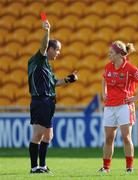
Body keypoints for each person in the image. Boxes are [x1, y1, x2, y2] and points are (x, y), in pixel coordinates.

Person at [28, 20, 78, 173]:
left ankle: (42, 165)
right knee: (37, 134)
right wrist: (47, 31)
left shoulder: (47, 66)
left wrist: (68, 80)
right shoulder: (39, 59)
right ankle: (34, 167)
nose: (58, 53)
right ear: (50, 49)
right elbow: (43, 46)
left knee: (48, 136)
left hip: (49, 101)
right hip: (40, 100)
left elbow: (54, 83)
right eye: (57, 50)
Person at [99, 40, 138, 173]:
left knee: (126, 137)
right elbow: (104, 79)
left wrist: (136, 97)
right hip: (109, 106)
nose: (109, 55)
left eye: (111, 53)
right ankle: (106, 168)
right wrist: (104, 93)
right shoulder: (108, 66)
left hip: (124, 106)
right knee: (109, 138)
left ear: (120, 55)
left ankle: (129, 168)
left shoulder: (130, 69)